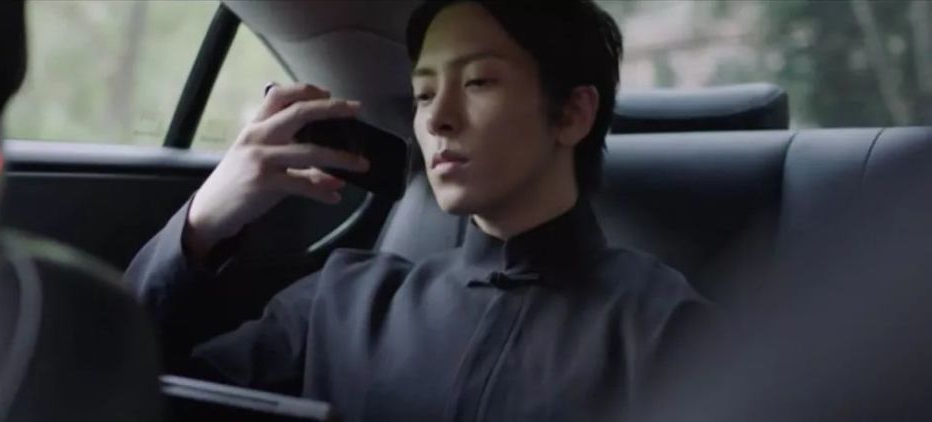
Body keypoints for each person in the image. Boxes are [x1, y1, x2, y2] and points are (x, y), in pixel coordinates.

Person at [127, 1, 711, 420]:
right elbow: (119, 385)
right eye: (423, 93)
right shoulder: (339, 302)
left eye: (478, 82)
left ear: (572, 114)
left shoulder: (664, 331)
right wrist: (203, 223)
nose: (437, 119)